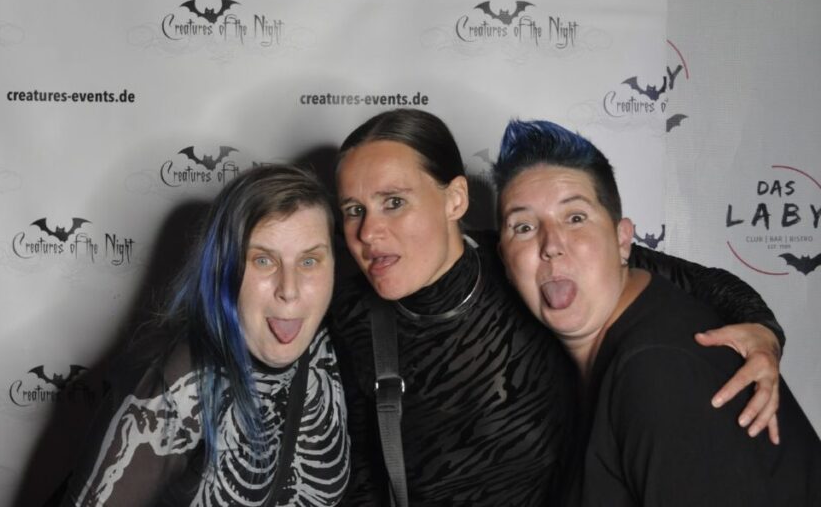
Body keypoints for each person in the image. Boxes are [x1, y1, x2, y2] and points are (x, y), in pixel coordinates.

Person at [328, 109, 785, 507]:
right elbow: (359, 481)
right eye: (353, 210)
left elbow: (713, 286)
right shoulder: (346, 317)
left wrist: (763, 335)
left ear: (456, 199)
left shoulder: (526, 262)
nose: (368, 233)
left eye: (394, 202)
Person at [493, 118, 820, 506]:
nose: (551, 245)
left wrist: (766, 332)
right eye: (524, 227)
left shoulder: (657, 370)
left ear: (623, 240)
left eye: (575, 218)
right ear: (505, 261)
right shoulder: (617, 345)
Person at [60, 165, 350, 506]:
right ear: (223, 267)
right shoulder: (177, 381)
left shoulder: (341, 346)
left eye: (309, 261)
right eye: (263, 260)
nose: (289, 290)